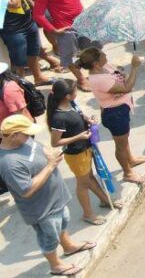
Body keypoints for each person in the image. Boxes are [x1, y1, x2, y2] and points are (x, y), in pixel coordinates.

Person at [0, 114, 96, 276]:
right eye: (26, 133)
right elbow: (26, 190)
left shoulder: (23, 140)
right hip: (42, 209)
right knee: (49, 238)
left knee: (63, 222)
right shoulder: (9, 163)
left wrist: (50, 154)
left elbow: (38, 146)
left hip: (56, 198)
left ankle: (68, 246)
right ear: (13, 135)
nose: (29, 135)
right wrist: (50, 166)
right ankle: (56, 265)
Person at [47, 79, 118, 226]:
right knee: (83, 183)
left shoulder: (71, 105)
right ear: (67, 96)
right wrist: (79, 136)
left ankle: (105, 200)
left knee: (90, 178)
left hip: (85, 149)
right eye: (75, 90)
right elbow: (55, 142)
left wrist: (88, 120)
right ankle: (88, 214)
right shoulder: (58, 118)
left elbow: (79, 115)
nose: (77, 91)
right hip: (76, 154)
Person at [76, 48, 145, 184]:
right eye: (102, 55)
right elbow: (127, 87)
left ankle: (130, 160)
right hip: (115, 114)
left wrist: (124, 77)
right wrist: (134, 67)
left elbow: (120, 73)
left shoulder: (104, 67)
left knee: (124, 138)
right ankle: (127, 173)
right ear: (96, 63)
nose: (106, 55)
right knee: (120, 145)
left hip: (121, 109)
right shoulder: (98, 79)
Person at [32, 0, 89, 91]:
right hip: (64, 28)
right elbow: (38, 15)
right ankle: (81, 79)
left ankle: (95, 74)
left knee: (89, 49)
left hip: (82, 21)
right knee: (69, 56)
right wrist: (54, 31)